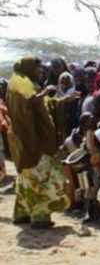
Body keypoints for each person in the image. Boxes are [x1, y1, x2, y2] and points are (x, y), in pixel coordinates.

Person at [7, 57, 71, 228]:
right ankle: (40, 217)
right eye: (37, 68)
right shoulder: (20, 82)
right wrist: (45, 92)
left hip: (27, 140)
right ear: (28, 67)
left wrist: (61, 101)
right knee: (40, 178)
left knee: (26, 178)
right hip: (32, 140)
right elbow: (28, 100)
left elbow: (41, 104)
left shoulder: (26, 82)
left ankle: (22, 214)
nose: (41, 71)